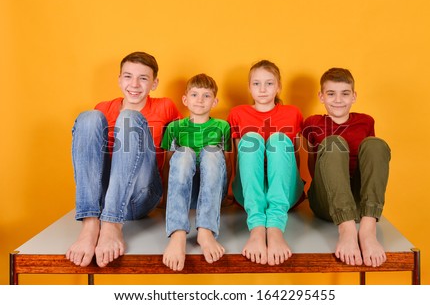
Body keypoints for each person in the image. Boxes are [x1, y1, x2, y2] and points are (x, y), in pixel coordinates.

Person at [65, 51, 182, 268]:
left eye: (143, 78)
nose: (134, 84)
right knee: (88, 118)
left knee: (129, 119)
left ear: (154, 83)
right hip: (101, 198)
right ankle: (90, 224)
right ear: (119, 80)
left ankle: (111, 225)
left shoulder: (165, 106)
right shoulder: (103, 108)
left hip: (140, 195)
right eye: (128, 76)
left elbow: (179, 153)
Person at [302, 67, 391, 267]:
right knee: (334, 143)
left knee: (376, 144)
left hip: (360, 200)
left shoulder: (365, 121)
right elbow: (312, 162)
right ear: (321, 96)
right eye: (331, 94)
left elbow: (372, 163)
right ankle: (347, 229)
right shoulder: (312, 123)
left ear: (354, 96)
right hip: (327, 200)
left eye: (345, 93)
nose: (338, 100)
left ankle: (368, 229)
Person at [227, 60, 304, 266]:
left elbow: (294, 157)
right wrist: (233, 191)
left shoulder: (292, 113)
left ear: (278, 86)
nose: (262, 89)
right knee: (251, 140)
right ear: (249, 87)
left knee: (279, 141)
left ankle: (276, 228)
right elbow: (237, 158)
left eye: (269, 84)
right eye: (256, 84)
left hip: (285, 189)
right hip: (251, 190)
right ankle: (257, 228)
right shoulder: (238, 113)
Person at [161, 73, 231, 271]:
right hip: (184, 193)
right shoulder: (175, 127)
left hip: (213, 191)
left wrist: (226, 193)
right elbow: (169, 165)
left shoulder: (222, 126)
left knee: (211, 152)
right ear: (185, 99)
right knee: (183, 153)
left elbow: (227, 161)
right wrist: (166, 197)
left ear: (215, 101)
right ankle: (177, 233)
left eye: (206, 96)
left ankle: (206, 230)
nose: (200, 100)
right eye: (194, 95)